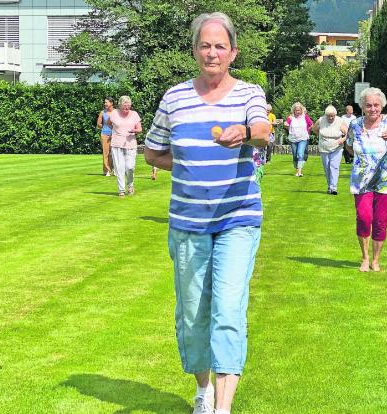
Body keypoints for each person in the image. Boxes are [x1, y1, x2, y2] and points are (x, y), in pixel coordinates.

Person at [143, 12, 270, 414]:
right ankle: (204, 390)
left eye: (220, 46)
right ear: (195, 50)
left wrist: (246, 134)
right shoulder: (174, 98)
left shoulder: (249, 93)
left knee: (228, 308)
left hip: (238, 218)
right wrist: (187, 164)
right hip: (189, 223)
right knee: (194, 313)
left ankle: (223, 407)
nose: (212, 53)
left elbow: (264, 131)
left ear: (232, 52)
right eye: (205, 45)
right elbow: (152, 151)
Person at [345, 87, 387, 272]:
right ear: (363, 107)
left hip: (385, 180)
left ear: (382, 105)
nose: (373, 109)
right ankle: (364, 258)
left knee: (380, 221)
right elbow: (349, 146)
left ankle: (376, 260)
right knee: (364, 218)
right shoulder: (355, 125)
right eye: (369, 105)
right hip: (362, 180)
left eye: (376, 105)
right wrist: (362, 159)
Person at [107, 95, 142, 197]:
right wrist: (116, 131)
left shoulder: (134, 114)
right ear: (120, 105)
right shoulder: (114, 113)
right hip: (117, 144)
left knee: (130, 167)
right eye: (125, 106)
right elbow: (109, 123)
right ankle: (121, 190)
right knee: (119, 168)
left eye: (128, 106)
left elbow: (140, 129)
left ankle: (130, 185)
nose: (127, 108)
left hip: (131, 144)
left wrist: (134, 131)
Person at [312, 105, 348, 195]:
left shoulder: (340, 121)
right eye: (329, 116)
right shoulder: (321, 120)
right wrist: (321, 137)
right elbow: (314, 129)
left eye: (332, 116)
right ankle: (329, 186)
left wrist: (342, 140)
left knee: (334, 166)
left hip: (337, 148)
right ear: (326, 115)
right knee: (327, 167)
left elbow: (349, 133)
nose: (331, 118)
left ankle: (334, 188)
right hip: (324, 148)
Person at [284, 102, 312, 177]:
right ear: (293, 110)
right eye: (296, 110)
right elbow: (286, 124)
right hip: (293, 139)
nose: (297, 112)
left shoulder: (305, 116)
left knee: (300, 154)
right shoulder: (291, 117)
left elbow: (311, 124)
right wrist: (286, 125)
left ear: (301, 110)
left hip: (303, 138)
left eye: (299, 110)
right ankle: (296, 170)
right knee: (295, 155)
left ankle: (299, 171)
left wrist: (307, 131)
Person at [96, 97, 114, 176]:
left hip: (115, 136)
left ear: (111, 103)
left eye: (106, 102)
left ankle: (113, 169)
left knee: (113, 154)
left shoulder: (116, 112)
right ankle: (106, 170)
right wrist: (104, 126)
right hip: (105, 134)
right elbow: (98, 124)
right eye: (105, 102)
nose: (105, 104)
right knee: (106, 153)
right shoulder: (102, 112)